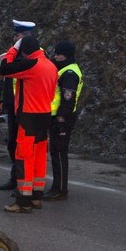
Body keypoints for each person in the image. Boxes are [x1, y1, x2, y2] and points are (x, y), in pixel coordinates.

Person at [0, 34, 58, 213]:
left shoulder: (31, 64)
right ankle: (36, 197)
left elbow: (4, 68)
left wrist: (13, 49)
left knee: (24, 157)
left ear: (24, 52)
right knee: (39, 157)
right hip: (44, 115)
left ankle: (23, 200)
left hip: (28, 117)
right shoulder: (51, 66)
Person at [0, 19, 35, 191]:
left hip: (26, 107)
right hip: (13, 104)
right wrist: (0, 98)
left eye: (18, 35)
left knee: (23, 146)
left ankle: (23, 180)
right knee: (13, 143)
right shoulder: (13, 54)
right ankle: (16, 177)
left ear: (26, 36)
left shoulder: (33, 55)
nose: (15, 38)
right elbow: (5, 78)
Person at [45, 41, 83, 201]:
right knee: (55, 151)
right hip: (58, 116)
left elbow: (68, 99)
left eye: (59, 54)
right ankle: (57, 186)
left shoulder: (69, 74)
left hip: (63, 118)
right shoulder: (64, 69)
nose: (56, 56)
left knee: (59, 153)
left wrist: (61, 118)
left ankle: (60, 189)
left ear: (66, 55)